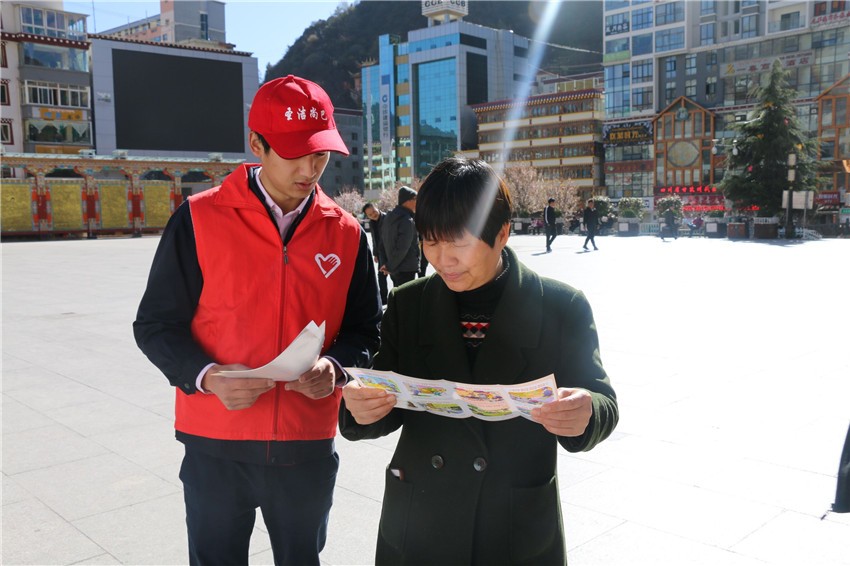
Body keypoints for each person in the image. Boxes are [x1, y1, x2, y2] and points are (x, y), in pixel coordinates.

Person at [133, 75, 382, 566]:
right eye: (294, 153)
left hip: (305, 444)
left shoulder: (347, 233)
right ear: (256, 144)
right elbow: (155, 325)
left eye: (321, 153)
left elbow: (366, 329)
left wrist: (335, 367)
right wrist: (206, 377)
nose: (310, 168)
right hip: (216, 443)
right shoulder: (199, 219)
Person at [339, 157, 619, 565]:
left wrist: (586, 412)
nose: (443, 259)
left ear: (501, 233)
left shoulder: (561, 306)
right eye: (430, 241)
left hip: (511, 522)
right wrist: (361, 408)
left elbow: (603, 400)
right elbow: (386, 393)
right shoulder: (409, 303)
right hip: (423, 517)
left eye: (459, 242)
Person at [381, 186, 420, 288]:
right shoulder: (406, 220)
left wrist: (387, 264)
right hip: (406, 268)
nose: (418, 202)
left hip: (394, 267)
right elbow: (403, 247)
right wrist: (389, 266)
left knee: (398, 294)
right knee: (406, 296)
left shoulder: (389, 217)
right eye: (416, 199)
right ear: (407, 201)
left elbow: (383, 242)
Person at [363, 202, 388, 305]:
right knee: (381, 276)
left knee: (394, 276)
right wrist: (375, 253)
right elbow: (374, 238)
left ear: (377, 207)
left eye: (374, 211)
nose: (373, 215)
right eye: (370, 214)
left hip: (390, 252)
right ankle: (383, 298)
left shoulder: (387, 218)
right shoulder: (372, 222)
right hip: (381, 253)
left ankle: (397, 298)